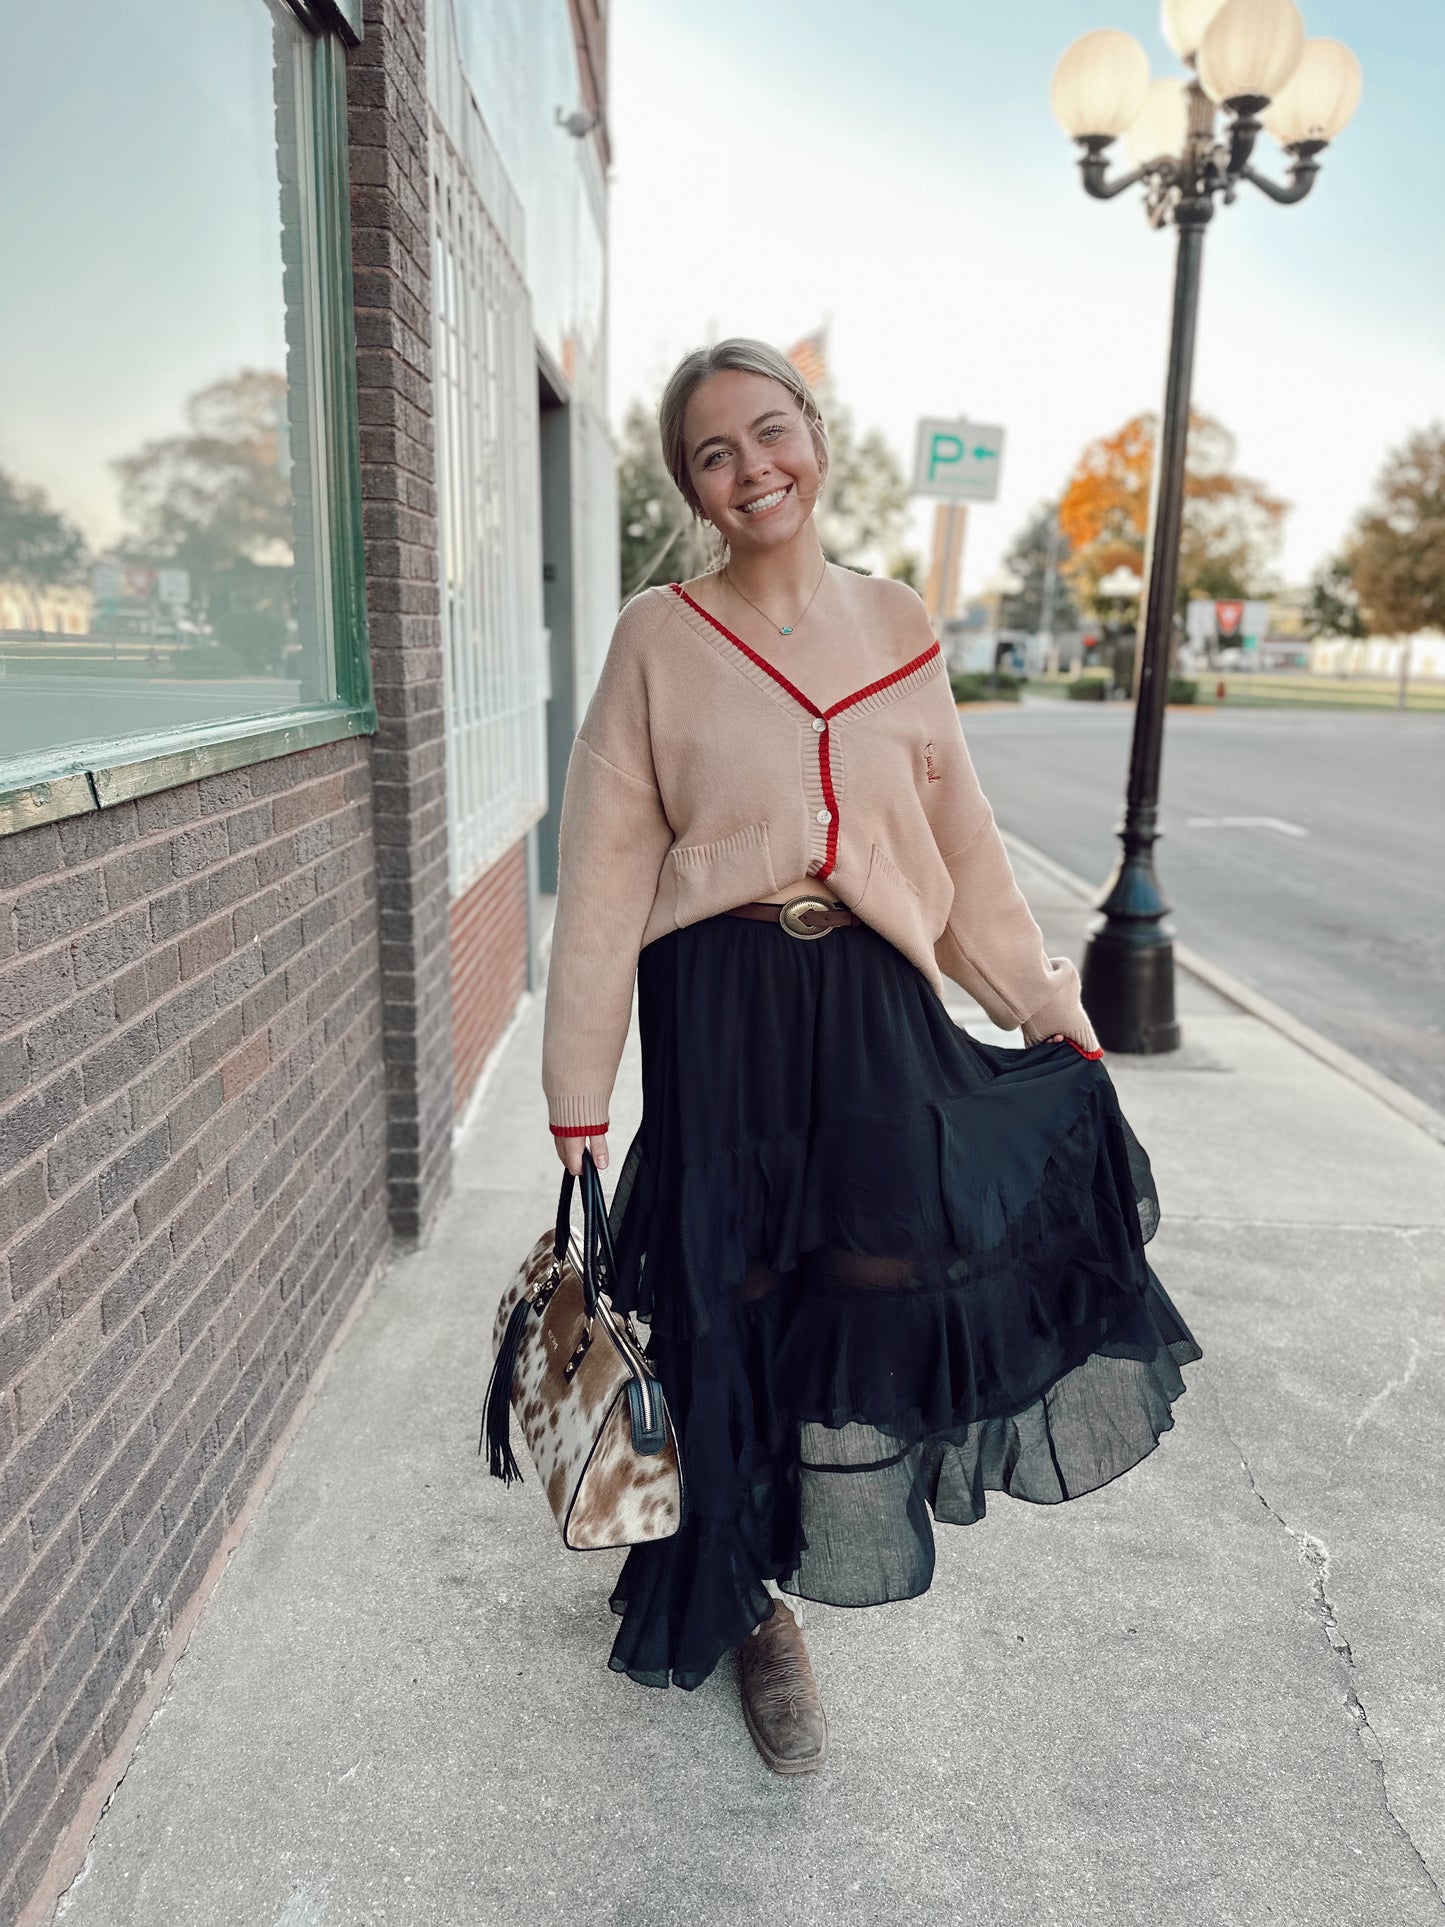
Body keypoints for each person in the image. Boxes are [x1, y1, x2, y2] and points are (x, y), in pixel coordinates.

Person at [539, 337, 1202, 1776]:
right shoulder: (658, 636)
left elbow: (956, 851)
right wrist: (576, 1095)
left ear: (815, 442)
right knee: (728, 1295)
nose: (750, 467)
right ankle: (746, 1600)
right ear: (691, 488)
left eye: (768, 434)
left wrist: (1040, 1002)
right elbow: (598, 873)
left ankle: (794, 1521)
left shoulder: (898, 620)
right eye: (714, 453)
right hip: (717, 1011)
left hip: (875, 1010)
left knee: (874, 1279)